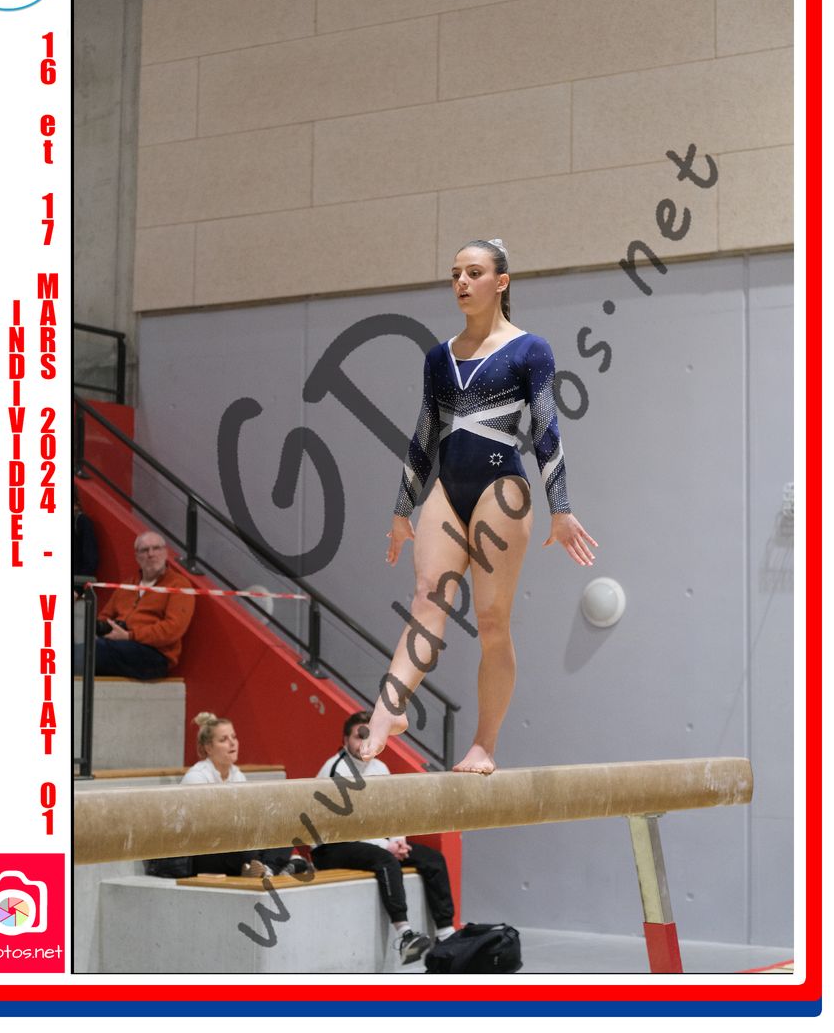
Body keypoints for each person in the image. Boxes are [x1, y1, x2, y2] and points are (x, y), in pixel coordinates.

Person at [363, 238, 598, 774]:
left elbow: (546, 429)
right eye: (455, 275)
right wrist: (401, 510)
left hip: (502, 490)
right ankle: (387, 710)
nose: (462, 283)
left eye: (474, 273)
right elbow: (425, 435)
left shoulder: (529, 349)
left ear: (501, 282)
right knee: (426, 599)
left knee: (491, 621)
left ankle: (484, 744)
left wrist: (561, 508)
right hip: (448, 490)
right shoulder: (438, 357)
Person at [313, 711, 456, 966]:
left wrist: (399, 841)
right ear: (345, 740)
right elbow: (346, 826)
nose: (364, 742)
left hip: (372, 842)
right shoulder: (338, 770)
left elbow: (392, 813)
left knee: (433, 859)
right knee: (385, 861)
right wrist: (386, 846)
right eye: (359, 736)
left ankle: (446, 934)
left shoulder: (380, 768)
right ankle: (405, 934)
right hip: (331, 846)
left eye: (369, 736)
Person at [180, 712, 307, 879]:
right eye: (223, 739)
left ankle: (267, 869)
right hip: (202, 852)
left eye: (234, 737)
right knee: (247, 849)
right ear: (208, 748)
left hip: (234, 844)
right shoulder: (196, 777)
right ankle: (281, 865)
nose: (232, 743)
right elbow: (202, 828)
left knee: (284, 827)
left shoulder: (237, 774)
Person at [73, 530, 195, 680]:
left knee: (91, 652)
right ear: (137, 556)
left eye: (156, 548)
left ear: (165, 553)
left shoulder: (179, 584)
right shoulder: (127, 585)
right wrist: (107, 628)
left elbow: (173, 629)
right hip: (117, 647)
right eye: (144, 550)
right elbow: (104, 617)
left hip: (155, 655)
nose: (151, 554)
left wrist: (130, 635)